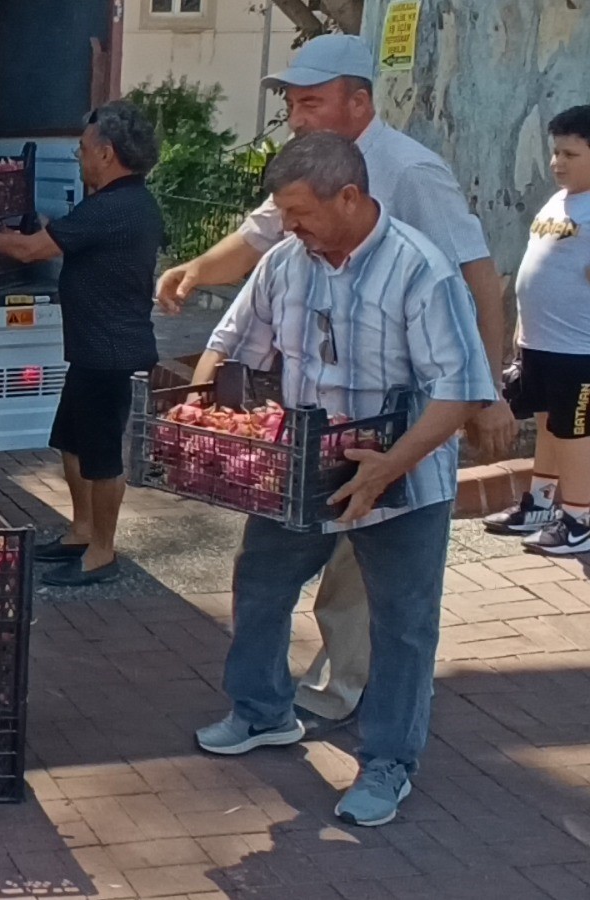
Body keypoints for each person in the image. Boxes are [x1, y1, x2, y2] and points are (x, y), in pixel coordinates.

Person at [163, 34, 514, 735]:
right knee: (266, 581)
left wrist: (487, 390)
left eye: (311, 101)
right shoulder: (298, 220)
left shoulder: (414, 188)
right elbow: (249, 285)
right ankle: (267, 711)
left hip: (401, 441)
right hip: (305, 445)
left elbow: (477, 281)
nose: (297, 115)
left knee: (389, 606)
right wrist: (199, 280)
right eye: (292, 102)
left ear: (359, 102)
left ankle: (379, 738)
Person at [193, 133, 495, 827]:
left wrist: (391, 465)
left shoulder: (420, 270)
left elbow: (460, 391)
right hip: (298, 467)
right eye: (284, 213)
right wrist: (199, 421)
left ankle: (388, 763)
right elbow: (231, 345)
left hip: (403, 477)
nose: (290, 226)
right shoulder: (286, 263)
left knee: (403, 626)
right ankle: (263, 710)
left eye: (300, 212)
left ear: (350, 198)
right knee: (261, 582)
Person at [0, 101, 163, 586]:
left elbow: (31, 250)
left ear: (107, 153)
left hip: (110, 353)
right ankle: (81, 531)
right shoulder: (122, 203)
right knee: (70, 442)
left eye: (83, 150)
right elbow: (57, 238)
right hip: (91, 349)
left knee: (102, 457)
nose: (78, 158)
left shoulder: (115, 207)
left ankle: (102, 552)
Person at [498, 105, 590, 555]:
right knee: (550, 427)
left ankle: (580, 520)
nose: (557, 163)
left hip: (579, 350)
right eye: (555, 152)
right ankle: (540, 504)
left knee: (576, 432)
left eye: (570, 154)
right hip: (539, 344)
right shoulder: (559, 199)